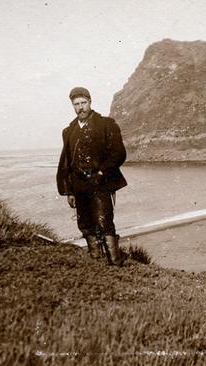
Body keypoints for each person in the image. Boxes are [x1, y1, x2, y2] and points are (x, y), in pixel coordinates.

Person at [57, 87, 128, 265]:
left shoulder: (106, 124)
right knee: (86, 225)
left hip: (101, 184)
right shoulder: (68, 131)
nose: (81, 107)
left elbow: (118, 154)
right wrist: (69, 192)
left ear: (90, 102)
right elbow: (66, 163)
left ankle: (115, 263)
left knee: (104, 223)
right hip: (79, 187)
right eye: (76, 104)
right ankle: (97, 262)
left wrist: (102, 172)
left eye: (83, 103)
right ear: (72, 106)